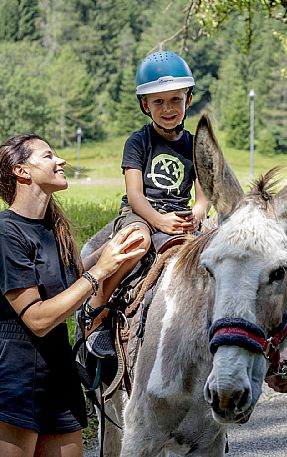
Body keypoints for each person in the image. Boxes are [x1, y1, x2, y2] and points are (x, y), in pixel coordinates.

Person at [0, 133, 145, 457]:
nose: (61, 161)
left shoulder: (54, 229)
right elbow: (38, 319)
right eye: (48, 156)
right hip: (13, 371)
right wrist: (99, 271)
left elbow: (70, 286)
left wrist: (115, 249)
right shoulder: (3, 232)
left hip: (58, 368)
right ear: (21, 171)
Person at [85, 51, 209, 358]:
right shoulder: (138, 142)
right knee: (138, 240)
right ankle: (97, 307)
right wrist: (159, 221)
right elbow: (136, 195)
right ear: (145, 105)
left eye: (175, 100)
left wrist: (196, 213)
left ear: (187, 101)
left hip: (179, 216)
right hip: (141, 214)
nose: (168, 109)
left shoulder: (196, 146)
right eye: (158, 102)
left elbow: (204, 195)